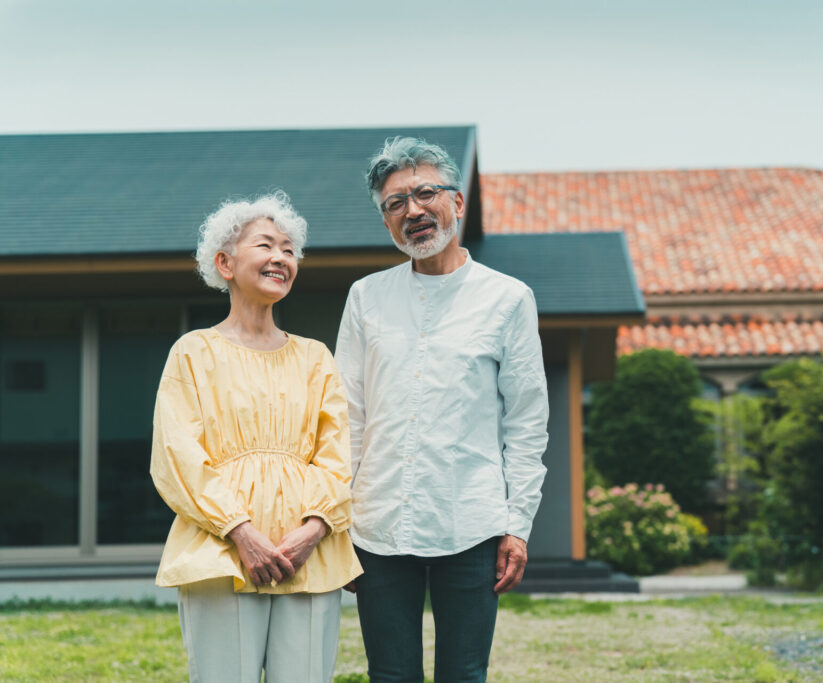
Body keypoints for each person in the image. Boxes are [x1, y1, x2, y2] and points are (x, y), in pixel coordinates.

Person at [336, 137, 549, 682]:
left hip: (473, 524)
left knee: (464, 675)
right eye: (394, 204)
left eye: (425, 193)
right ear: (385, 223)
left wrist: (517, 526)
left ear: (457, 203)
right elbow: (346, 417)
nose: (413, 211)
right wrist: (339, 521)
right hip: (377, 523)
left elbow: (526, 424)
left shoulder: (508, 298)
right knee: (389, 675)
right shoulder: (365, 296)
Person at [151, 191, 362, 683]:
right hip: (220, 552)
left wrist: (313, 531)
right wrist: (241, 533)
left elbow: (337, 456)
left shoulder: (316, 357)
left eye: (289, 250)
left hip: (308, 556)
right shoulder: (192, 352)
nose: (281, 258)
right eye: (265, 245)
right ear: (224, 263)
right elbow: (176, 455)